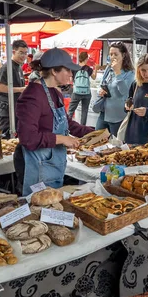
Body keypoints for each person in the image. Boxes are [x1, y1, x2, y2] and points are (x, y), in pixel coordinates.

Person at [16, 48, 94, 195]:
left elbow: (67, 123)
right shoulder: (32, 96)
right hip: (37, 165)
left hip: (54, 163)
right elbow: (28, 138)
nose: (71, 74)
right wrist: (62, 139)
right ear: (54, 71)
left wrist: (94, 133)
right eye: (68, 70)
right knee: (37, 208)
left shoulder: (55, 92)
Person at [94, 42, 135, 134]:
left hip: (118, 115)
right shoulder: (108, 69)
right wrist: (100, 91)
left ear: (123, 55)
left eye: (116, 54)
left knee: (116, 144)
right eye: (111, 54)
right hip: (104, 112)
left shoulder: (130, 73)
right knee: (96, 140)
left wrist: (117, 73)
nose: (113, 57)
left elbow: (124, 92)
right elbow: (101, 84)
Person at [0, 40, 28, 138]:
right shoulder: (7, 67)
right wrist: (21, 89)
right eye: (21, 53)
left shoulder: (19, 66)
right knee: (6, 136)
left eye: (25, 53)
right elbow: (0, 88)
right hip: (7, 108)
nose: (24, 56)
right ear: (14, 52)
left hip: (16, 106)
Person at [67, 52, 94, 125]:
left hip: (76, 92)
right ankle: (83, 128)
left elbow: (71, 79)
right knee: (84, 111)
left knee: (71, 110)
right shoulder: (88, 69)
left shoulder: (74, 67)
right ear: (86, 59)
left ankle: (67, 126)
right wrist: (96, 69)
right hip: (86, 93)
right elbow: (94, 78)